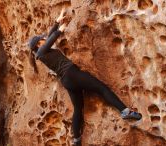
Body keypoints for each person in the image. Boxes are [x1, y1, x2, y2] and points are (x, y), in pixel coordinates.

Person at [28, 8, 142, 146]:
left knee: (78, 109)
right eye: (42, 39)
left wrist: (57, 21)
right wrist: (60, 30)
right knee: (102, 88)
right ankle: (125, 111)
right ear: (39, 43)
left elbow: (49, 36)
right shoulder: (41, 51)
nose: (44, 37)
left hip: (67, 81)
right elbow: (51, 38)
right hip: (73, 74)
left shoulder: (42, 52)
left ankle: (76, 140)